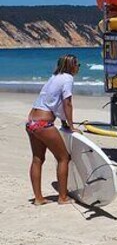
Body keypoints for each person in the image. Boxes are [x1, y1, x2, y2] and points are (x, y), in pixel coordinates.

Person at [25, 54, 79, 205]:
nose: (78, 68)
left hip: (31, 121)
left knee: (37, 159)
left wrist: (63, 122)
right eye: (78, 65)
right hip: (43, 124)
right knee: (63, 158)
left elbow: (53, 103)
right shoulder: (68, 78)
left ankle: (38, 198)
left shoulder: (54, 77)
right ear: (71, 66)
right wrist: (71, 125)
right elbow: (66, 103)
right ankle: (62, 197)